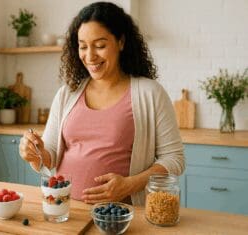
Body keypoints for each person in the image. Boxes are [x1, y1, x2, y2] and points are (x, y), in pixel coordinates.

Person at [19, 1, 185, 206]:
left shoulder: (150, 93)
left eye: (100, 45)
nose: (90, 56)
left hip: (120, 215)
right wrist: (34, 153)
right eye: (83, 46)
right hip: (65, 210)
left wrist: (130, 184)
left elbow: (174, 159)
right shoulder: (67, 94)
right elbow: (50, 155)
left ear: (121, 42)